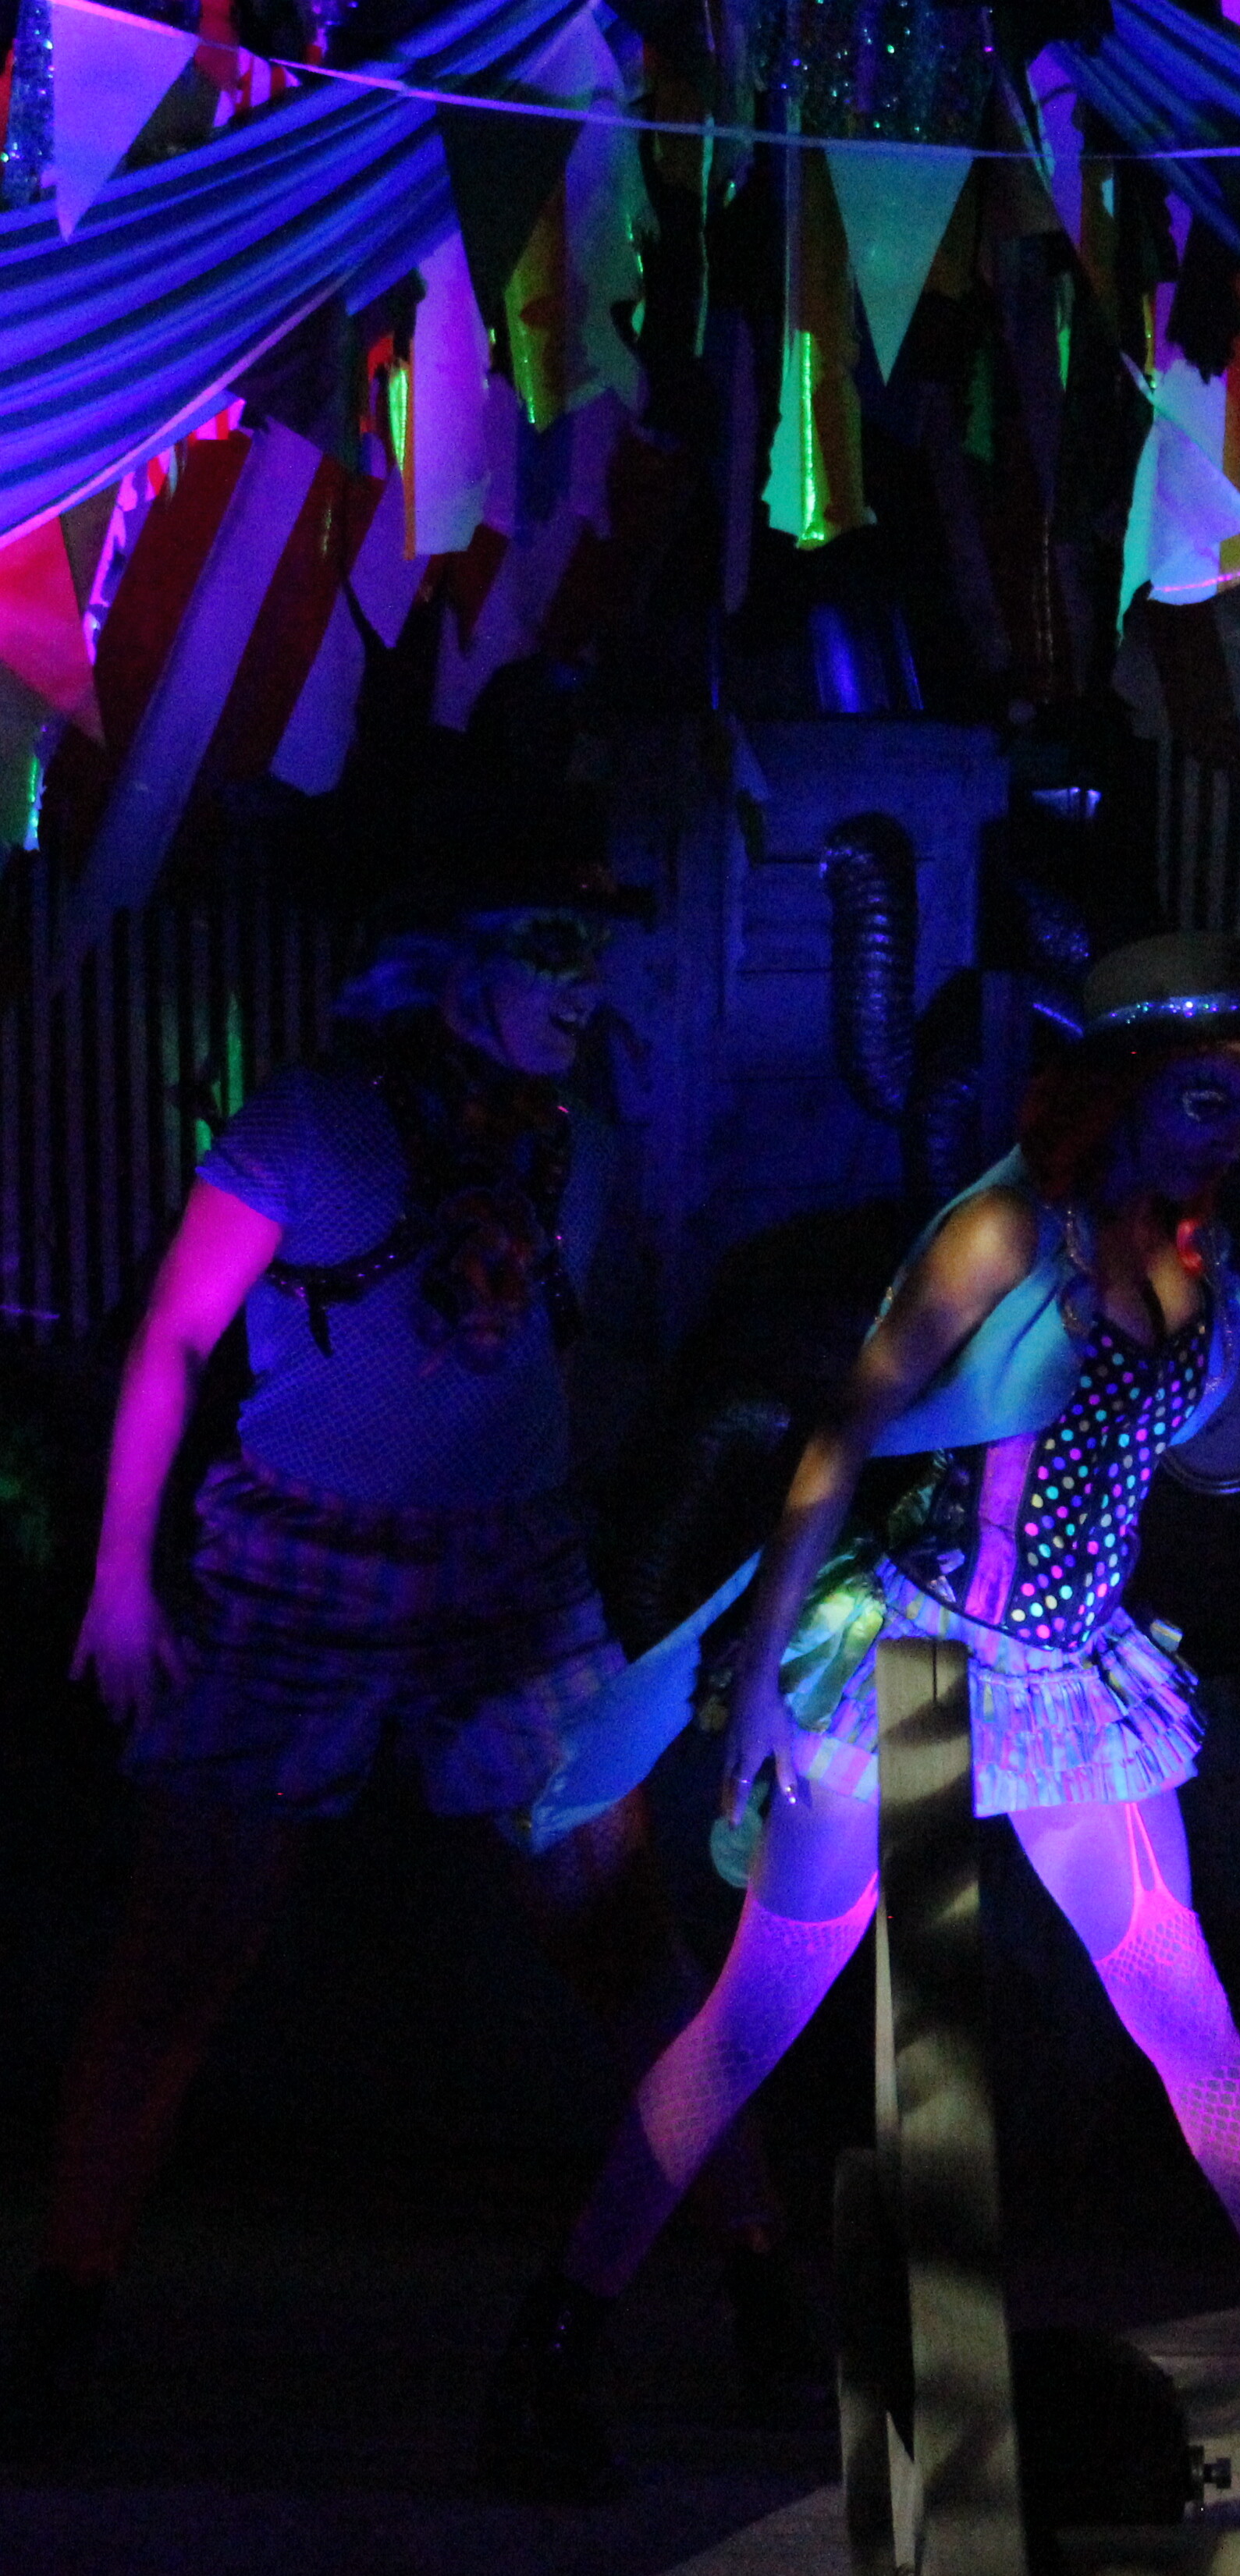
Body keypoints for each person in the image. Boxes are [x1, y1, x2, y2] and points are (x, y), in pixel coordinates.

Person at [478, 931, 1240, 2496]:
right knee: (759, 2012)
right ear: (1119, 1090)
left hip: (1075, 1679)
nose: (1236, 1127)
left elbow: (1195, 1446)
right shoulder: (1005, 1228)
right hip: (916, 1661)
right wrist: (757, 1678)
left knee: (1183, 2005)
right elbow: (841, 1434)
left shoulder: (1197, 1248)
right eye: (1206, 1098)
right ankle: (554, 2346)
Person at [2, 888, 794, 2453]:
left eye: (598, 960)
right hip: (297, 1567)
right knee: (180, 1954)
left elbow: (568, 1363)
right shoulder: (312, 1122)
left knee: (626, 1945)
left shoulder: (582, 1146)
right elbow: (173, 1337)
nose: (586, 986)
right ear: (462, 964)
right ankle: (66, 2308)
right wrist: (118, 1578)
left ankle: (765, 2274)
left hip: (508, 1576)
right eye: (552, 955)